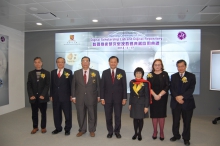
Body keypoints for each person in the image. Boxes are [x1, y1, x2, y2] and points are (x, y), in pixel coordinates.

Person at [71, 56, 100, 137]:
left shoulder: (95, 72)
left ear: (89, 63)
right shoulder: (76, 73)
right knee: (80, 114)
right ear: (81, 63)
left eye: (87, 61)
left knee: (92, 114)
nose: (85, 63)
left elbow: (98, 85)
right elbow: (73, 86)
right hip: (80, 97)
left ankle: (92, 130)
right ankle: (82, 130)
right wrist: (73, 96)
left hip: (92, 97)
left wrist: (99, 96)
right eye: (83, 61)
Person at [170, 59, 196, 146]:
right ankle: (176, 135)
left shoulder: (191, 76)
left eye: (182, 66)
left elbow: (191, 89)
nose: (180, 68)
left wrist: (182, 96)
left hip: (187, 102)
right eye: (179, 66)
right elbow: (172, 89)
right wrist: (177, 97)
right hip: (175, 102)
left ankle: (186, 138)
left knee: (187, 121)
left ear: (185, 66)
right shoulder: (173, 76)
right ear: (177, 67)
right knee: (175, 120)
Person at [100, 56, 127, 139]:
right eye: (111, 62)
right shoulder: (105, 72)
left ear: (117, 63)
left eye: (114, 62)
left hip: (118, 98)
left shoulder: (121, 72)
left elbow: (124, 86)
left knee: (118, 116)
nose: (113, 63)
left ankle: (117, 131)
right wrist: (102, 98)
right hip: (107, 98)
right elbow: (102, 86)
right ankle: (110, 131)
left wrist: (124, 98)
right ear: (109, 62)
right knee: (108, 116)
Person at [146, 59, 170, 141]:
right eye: (155, 65)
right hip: (153, 97)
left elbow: (167, 86)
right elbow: (148, 87)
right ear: (153, 66)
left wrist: (159, 95)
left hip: (162, 97)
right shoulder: (150, 75)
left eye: (159, 65)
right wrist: (155, 95)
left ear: (161, 66)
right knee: (154, 115)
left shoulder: (165, 74)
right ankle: (155, 131)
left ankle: (162, 132)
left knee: (161, 115)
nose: (157, 66)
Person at [27, 57, 50, 134]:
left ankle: (43, 127)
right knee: (34, 113)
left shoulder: (46, 73)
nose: (37, 64)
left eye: (38, 62)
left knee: (43, 113)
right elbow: (29, 85)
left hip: (42, 97)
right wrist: (31, 95)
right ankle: (35, 127)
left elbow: (47, 85)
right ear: (34, 64)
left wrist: (43, 94)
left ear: (41, 63)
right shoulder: (30, 73)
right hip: (33, 98)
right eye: (35, 62)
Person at [50, 57, 73, 136]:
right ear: (56, 63)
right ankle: (58, 128)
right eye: (58, 62)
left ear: (64, 63)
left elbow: (71, 85)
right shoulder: (53, 72)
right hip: (56, 97)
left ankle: (67, 129)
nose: (60, 63)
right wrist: (51, 95)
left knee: (67, 114)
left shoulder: (69, 72)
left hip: (66, 97)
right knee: (56, 114)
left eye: (62, 62)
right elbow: (51, 85)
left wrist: (71, 95)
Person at [129, 67, 150, 141]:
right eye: (137, 73)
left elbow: (147, 95)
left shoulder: (145, 83)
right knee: (135, 119)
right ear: (135, 74)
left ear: (142, 74)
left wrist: (146, 106)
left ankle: (139, 133)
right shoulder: (132, 82)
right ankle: (135, 133)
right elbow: (131, 94)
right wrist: (130, 103)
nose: (138, 74)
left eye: (140, 73)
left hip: (142, 103)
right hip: (134, 103)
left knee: (140, 119)